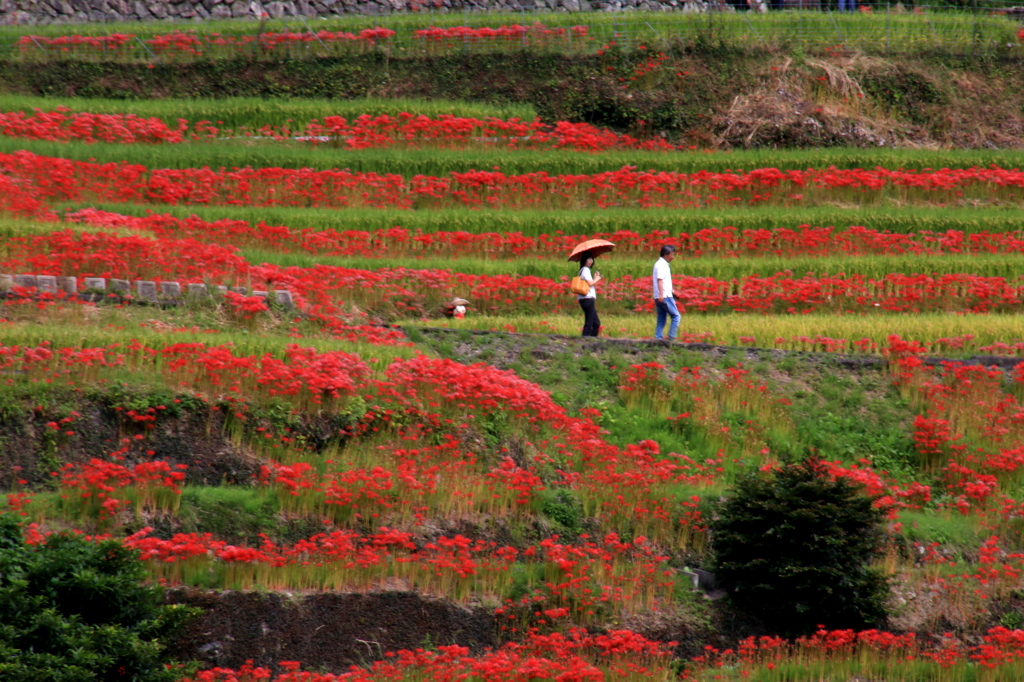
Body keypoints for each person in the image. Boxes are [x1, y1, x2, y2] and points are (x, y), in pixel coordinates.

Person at [652, 245, 680, 341]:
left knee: (661, 319)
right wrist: (661, 295)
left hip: (661, 295)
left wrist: (673, 292)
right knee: (676, 316)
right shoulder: (661, 265)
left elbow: (665, 282)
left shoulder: (661, 264)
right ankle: (671, 337)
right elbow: (660, 280)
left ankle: (659, 338)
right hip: (664, 296)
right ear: (666, 254)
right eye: (672, 254)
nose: (673, 256)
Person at [576, 252, 602, 337]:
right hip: (587, 299)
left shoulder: (582, 270)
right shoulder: (585, 270)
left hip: (585, 299)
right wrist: (597, 278)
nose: (591, 261)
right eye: (588, 259)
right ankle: (585, 340)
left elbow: (589, 283)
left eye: (592, 259)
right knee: (590, 322)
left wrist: (594, 277)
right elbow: (590, 283)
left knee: (596, 323)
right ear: (584, 260)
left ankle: (590, 340)